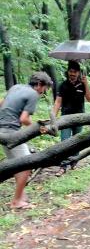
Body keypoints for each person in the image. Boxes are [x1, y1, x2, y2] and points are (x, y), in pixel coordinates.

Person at [0, 72, 52, 209]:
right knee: (28, 164)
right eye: (44, 89)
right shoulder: (33, 94)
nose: (43, 93)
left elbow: (2, 103)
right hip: (11, 132)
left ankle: (21, 196)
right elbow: (24, 119)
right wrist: (38, 127)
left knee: (18, 164)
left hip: (1, 131)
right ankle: (16, 201)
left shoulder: (16, 87)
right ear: (39, 84)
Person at [53, 61, 90, 176]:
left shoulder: (82, 84)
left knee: (77, 140)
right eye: (71, 71)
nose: (72, 74)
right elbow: (57, 102)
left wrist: (86, 84)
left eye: (75, 72)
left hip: (80, 117)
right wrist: (53, 118)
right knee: (64, 141)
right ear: (68, 72)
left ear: (79, 73)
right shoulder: (63, 85)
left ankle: (74, 162)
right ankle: (63, 166)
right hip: (65, 118)